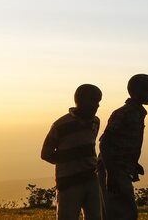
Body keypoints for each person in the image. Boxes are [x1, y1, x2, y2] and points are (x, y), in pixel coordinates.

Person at [97, 74, 148, 220]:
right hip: (112, 168)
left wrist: (133, 163)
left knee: (123, 210)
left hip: (120, 168)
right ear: (133, 91)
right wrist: (110, 174)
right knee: (121, 212)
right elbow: (104, 142)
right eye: (146, 90)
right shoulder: (123, 113)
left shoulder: (138, 113)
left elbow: (124, 143)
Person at [41, 84, 103, 220]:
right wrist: (71, 158)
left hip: (91, 178)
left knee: (95, 216)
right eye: (93, 100)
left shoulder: (95, 122)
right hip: (69, 182)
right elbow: (46, 153)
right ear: (79, 100)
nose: (97, 105)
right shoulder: (60, 125)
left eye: (98, 101)